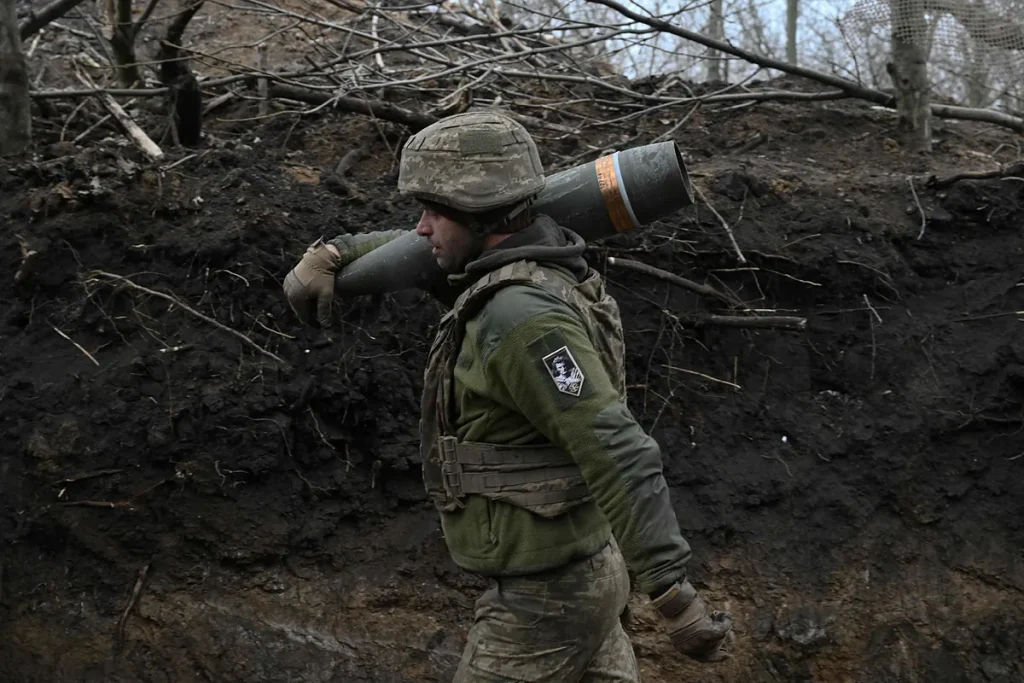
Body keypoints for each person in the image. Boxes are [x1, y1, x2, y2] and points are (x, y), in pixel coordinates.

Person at [283, 111, 733, 682]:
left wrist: (674, 597)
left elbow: (616, 448)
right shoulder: (528, 259)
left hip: (545, 601)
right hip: (579, 568)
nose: (419, 228)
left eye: (432, 211)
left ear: (477, 215)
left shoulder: (521, 318)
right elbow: (428, 252)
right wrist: (341, 253)